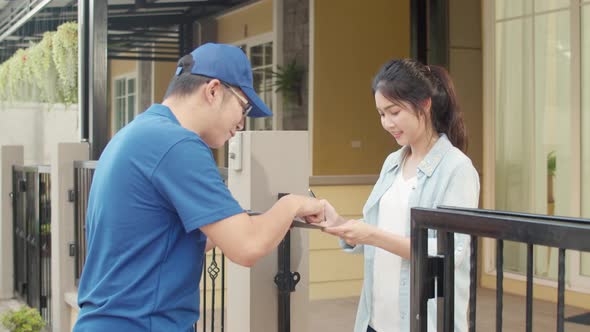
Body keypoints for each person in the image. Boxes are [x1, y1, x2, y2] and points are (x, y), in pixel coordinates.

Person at [73, 43, 325, 332]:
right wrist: (293, 203)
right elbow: (248, 246)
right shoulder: (179, 144)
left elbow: (163, 239)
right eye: (243, 108)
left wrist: (262, 221)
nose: (241, 124)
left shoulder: (135, 133)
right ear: (214, 90)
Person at [319, 59, 479, 332]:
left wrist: (370, 234)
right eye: (381, 114)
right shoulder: (393, 162)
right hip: (376, 319)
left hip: (422, 323)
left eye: (394, 112)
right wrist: (340, 225)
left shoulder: (457, 169)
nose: (387, 123)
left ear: (425, 104)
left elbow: (449, 253)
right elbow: (383, 228)